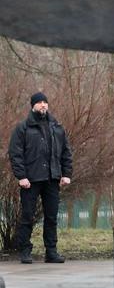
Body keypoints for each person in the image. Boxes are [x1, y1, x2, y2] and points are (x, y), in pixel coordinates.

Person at [8, 92, 73, 264]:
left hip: (52, 178)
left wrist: (66, 174)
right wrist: (21, 176)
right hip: (31, 179)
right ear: (32, 106)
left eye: (45, 102)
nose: (43, 105)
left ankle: (51, 252)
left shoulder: (56, 127)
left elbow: (66, 152)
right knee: (27, 215)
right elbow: (15, 154)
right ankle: (25, 251)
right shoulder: (23, 128)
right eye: (39, 102)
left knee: (52, 216)